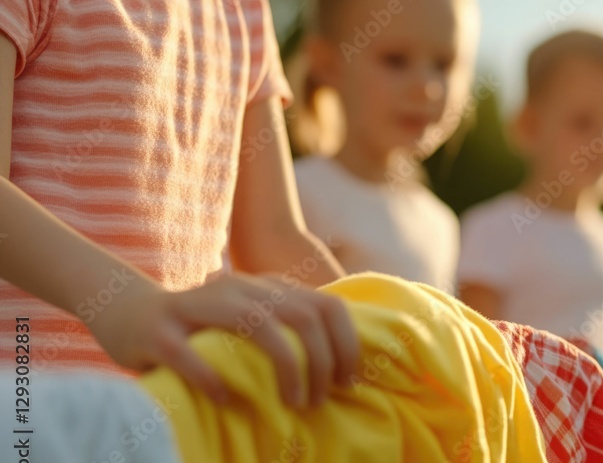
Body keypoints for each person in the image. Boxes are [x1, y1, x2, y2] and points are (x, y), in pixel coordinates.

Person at [0, 0, 359, 408]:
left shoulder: (245, 9)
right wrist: (127, 304)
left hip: (181, 422)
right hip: (30, 413)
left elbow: (273, 234)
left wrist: (384, 335)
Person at [457, 30, 603, 441]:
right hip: (520, 435)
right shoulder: (492, 228)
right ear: (529, 126)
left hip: (598, 443)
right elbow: (478, 349)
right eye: (584, 123)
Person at [291, 0, 480, 294]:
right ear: (328, 65)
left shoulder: (441, 223)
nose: (426, 87)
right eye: (396, 60)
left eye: (444, 64)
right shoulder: (294, 196)